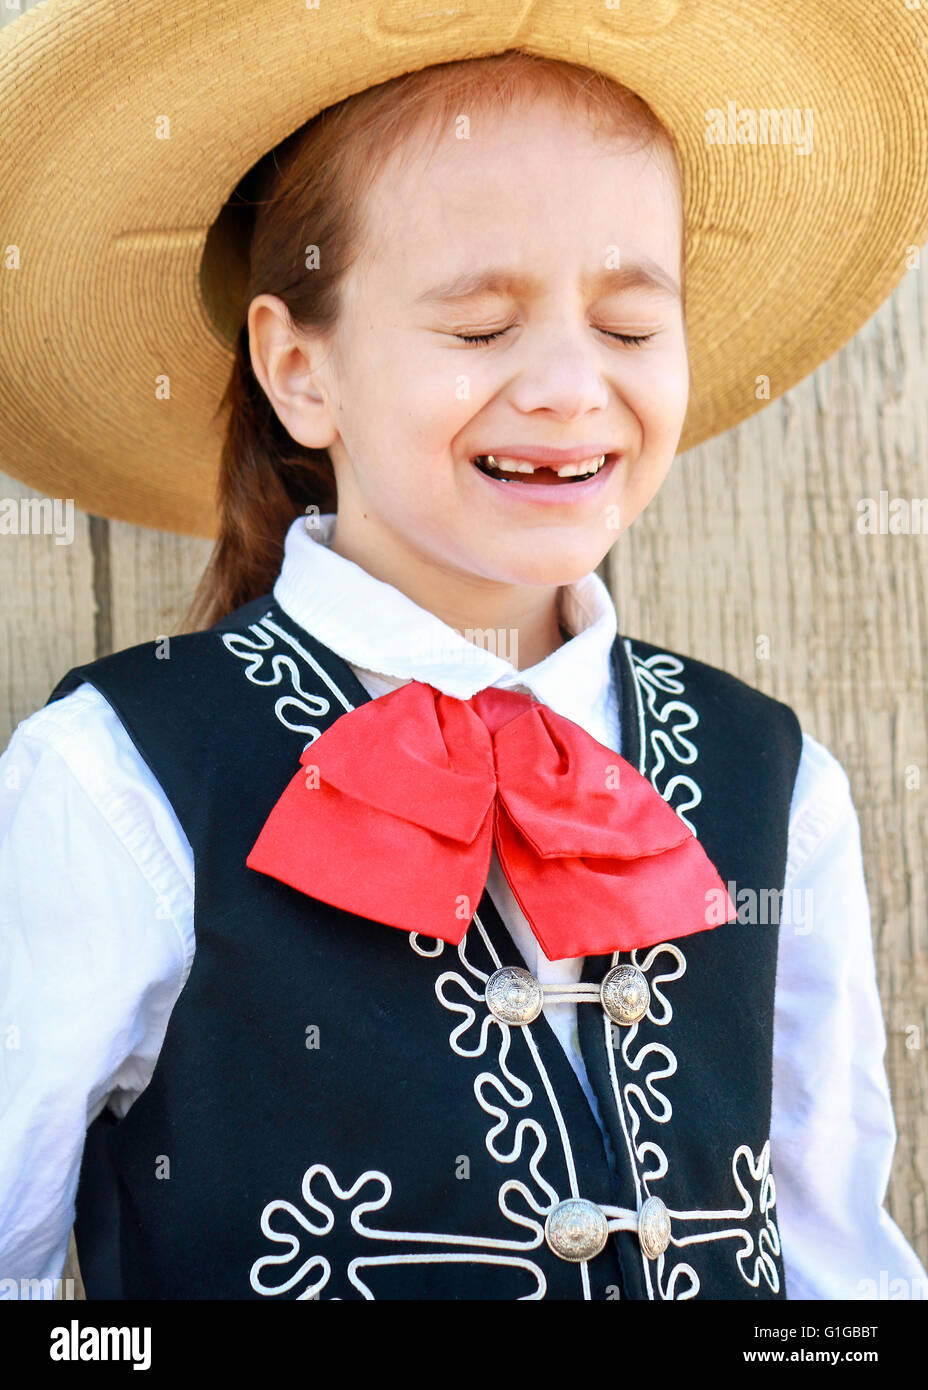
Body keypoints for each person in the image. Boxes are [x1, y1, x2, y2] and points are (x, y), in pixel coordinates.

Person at [1, 7, 927, 1302]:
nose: (566, 382)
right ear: (298, 368)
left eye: (628, 321)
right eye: (482, 325)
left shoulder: (779, 786)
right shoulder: (114, 781)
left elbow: (843, 1273)